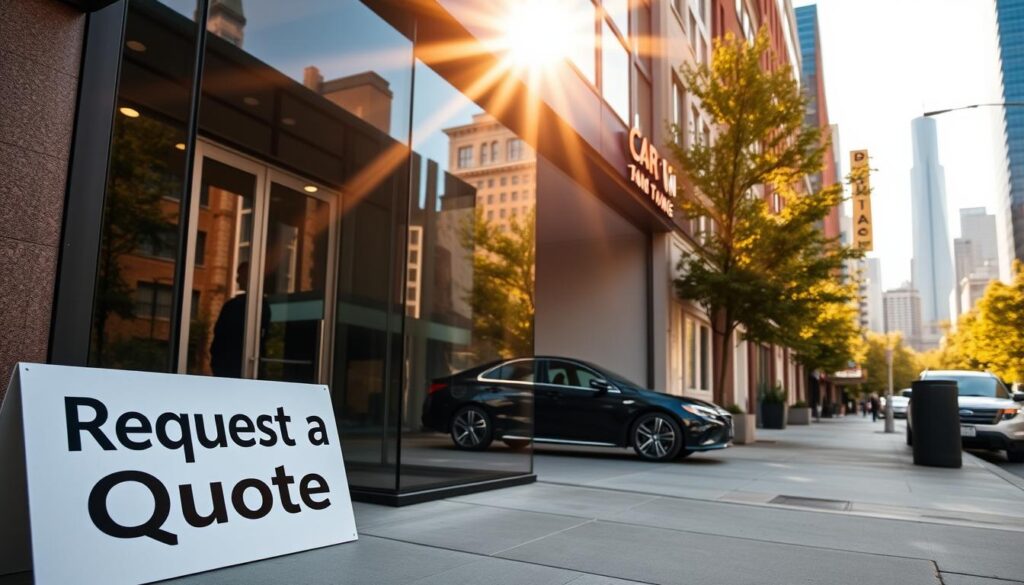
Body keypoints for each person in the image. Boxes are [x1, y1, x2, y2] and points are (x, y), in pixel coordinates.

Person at [210, 262, 270, 377]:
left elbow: (220, 338)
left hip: (229, 369)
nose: (237, 280)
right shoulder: (262, 306)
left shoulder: (234, 306)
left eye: (240, 275)